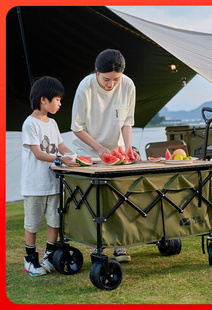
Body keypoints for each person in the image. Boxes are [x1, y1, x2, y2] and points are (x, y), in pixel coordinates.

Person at [71, 49, 140, 262]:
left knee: (121, 198)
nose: (111, 85)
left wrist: (128, 148)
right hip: (89, 151)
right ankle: (96, 247)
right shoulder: (85, 87)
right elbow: (77, 127)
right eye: (106, 79)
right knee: (95, 201)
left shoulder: (128, 85)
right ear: (96, 72)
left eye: (115, 79)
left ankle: (120, 246)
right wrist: (99, 148)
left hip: (117, 152)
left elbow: (127, 121)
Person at [21, 76, 80, 276]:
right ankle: (30, 261)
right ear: (44, 100)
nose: (60, 103)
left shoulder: (53, 123)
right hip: (34, 185)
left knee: (55, 221)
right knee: (33, 223)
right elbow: (38, 153)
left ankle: (50, 255)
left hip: (54, 184)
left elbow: (61, 146)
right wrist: (61, 159)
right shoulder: (30, 124)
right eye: (58, 100)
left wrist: (75, 156)